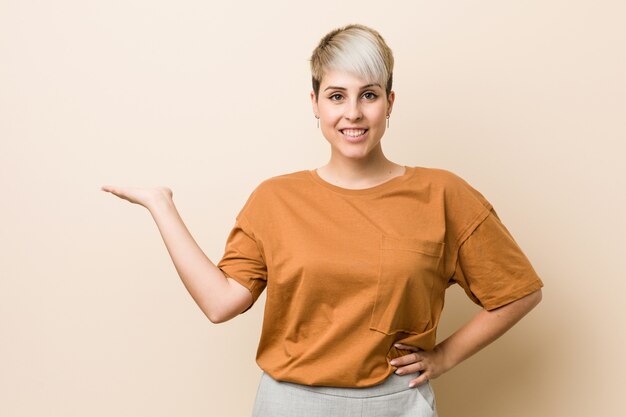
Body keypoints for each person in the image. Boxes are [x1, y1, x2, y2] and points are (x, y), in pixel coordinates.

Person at [101, 23, 543, 417]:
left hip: (396, 402)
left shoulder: (443, 194)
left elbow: (517, 292)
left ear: (389, 102)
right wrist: (162, 207)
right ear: (315, 103)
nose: (353, 112)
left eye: (368, 95)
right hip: (290, 403)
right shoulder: (276, 199)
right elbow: (220, 303)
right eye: (336, 96)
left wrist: (444, 357)